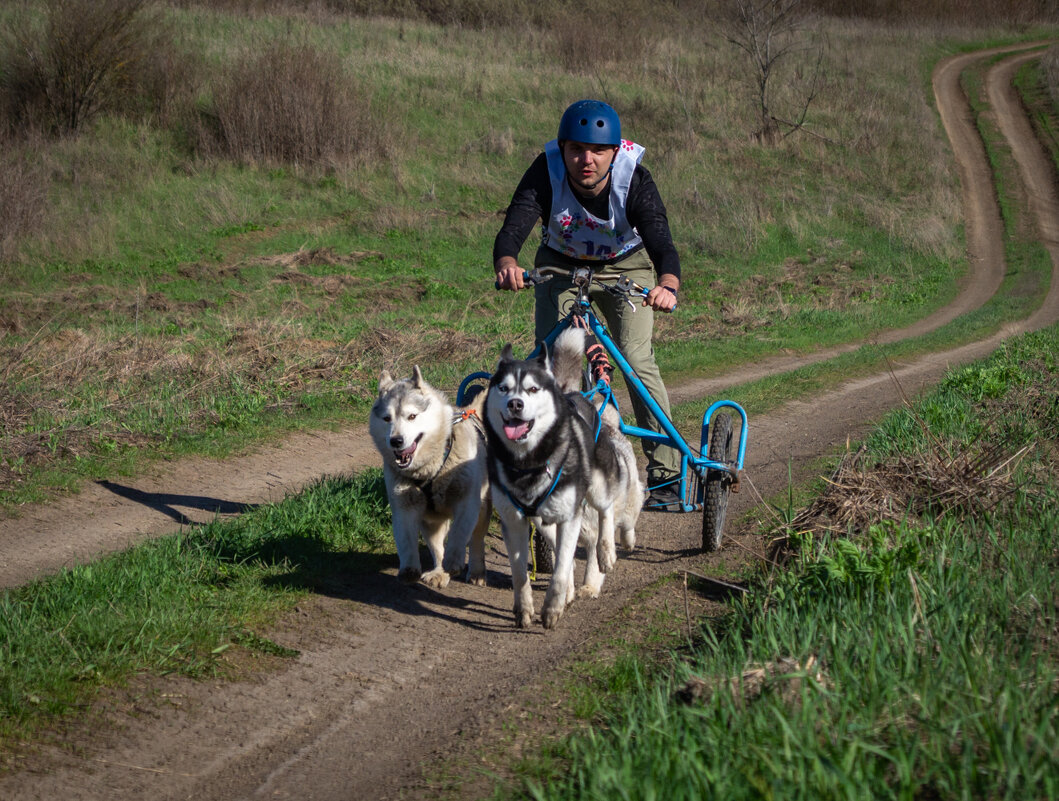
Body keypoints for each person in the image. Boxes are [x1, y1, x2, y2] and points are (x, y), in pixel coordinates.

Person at [493, 98, 683, 510]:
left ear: (615, 151)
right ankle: (542, 463)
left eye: (598, 151)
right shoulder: (545, 171)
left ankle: (666, 471)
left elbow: (661, 241)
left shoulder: (634, 179)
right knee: (554, 358)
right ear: (563, 148)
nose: (586, 160)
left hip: (625, 268)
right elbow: (512, 231)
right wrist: (507, 264)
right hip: (560, 265)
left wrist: (667, 284)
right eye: (577, 149)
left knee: (634, 356)